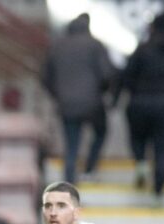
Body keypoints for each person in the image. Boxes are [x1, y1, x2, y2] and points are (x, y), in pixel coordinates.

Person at [118, 3, 164, 203]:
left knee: (138, 138)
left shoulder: (141, 50)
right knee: (163, 148)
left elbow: (126, 76)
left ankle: (141, 162)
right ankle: (158, 190)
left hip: (140, 102)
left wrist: (123, 97)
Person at [42, 13, 116, 184]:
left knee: (71, 146)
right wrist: (101, 92)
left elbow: (45, 78)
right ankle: (89, 168)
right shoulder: (95, 45)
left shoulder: (57, 46)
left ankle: (69, 185)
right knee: (101, 132)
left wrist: (58, 95)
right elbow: (107, 74)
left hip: (66, 104)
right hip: (92, 104)